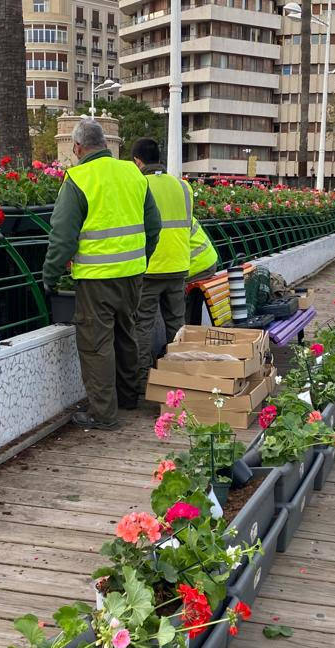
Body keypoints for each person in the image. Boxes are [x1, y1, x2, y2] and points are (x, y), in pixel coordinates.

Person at [43, 119, 162, 430]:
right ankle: (129, 397)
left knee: (96, 344)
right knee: (127, 335)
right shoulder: (132, 173)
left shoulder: (78, 178)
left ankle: (103, 413)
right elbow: (153, 225)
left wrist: (50, 275)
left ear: (78, 147)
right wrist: (141, 258)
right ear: (107, 145)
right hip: (133, 274)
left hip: (97, 278)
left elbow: (62, 236)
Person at [130, 137, 193, 396]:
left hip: (151, 266)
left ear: (137, 161)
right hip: (178, 265)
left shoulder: (139, 184)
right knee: (176, 324)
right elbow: (189, 224)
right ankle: (178, 377)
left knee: (143, 325)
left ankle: (145, 380)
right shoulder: (182, 186)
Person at [184, 216, 219, 325]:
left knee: (173, 288)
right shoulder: (183, 209)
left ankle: (188, 331)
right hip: (207, 261)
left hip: (198, 265)